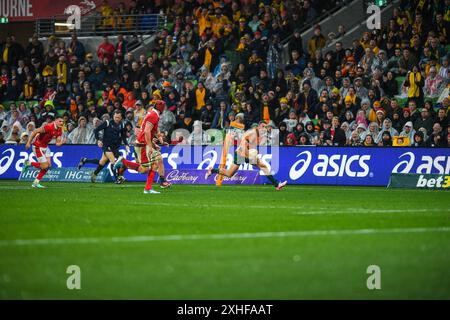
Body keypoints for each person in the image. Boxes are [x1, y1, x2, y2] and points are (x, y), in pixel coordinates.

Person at [205, 120, 287, 191]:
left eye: (265, 127)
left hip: (241, 153)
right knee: (263, 166)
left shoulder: (258, 134)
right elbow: (243, 146)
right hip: (243, 153)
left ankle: (212, 170)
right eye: (263, 126)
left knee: (229, 174)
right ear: (258, 126)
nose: (264, 128)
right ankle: (277, 185)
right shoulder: (253, 133)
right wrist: (250, 156)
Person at [114, 100, 168, 194]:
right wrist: (150, 146)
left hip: (142, 143)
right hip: (143, 144)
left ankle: (148, 188)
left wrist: (157, 142)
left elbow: (151, 131)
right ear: (161, 108)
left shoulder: (153, 114)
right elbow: (147, 131)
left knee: (148, 167)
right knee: (150, 166)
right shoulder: (153, 115)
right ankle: (123, 161)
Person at [77, 111, 129, 184]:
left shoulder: (122, 125)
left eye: (118, 117)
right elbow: (96, 130)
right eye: (115, 117)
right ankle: (118, 178)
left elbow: (123, 136)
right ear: (113, 116)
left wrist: (126, 144)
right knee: (113, 161)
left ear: (121, 117)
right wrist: (98, 140)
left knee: (102, 162)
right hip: (106, 145)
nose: (117, 119)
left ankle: (91, 170)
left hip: (115, 147)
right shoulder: (107, 123)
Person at [22, 117, 66, 188]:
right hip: (37, 146)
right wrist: (28, 142)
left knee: (48, 166)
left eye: (62, 122)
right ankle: (29, 163)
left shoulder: (60, 130)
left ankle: (35, 183)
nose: (61, 123)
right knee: (45, 166)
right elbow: (35, 131)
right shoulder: (48, 127)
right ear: (55, 121)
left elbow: (57, 144)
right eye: (60, 121)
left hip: (46, 147)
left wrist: (62, 142)